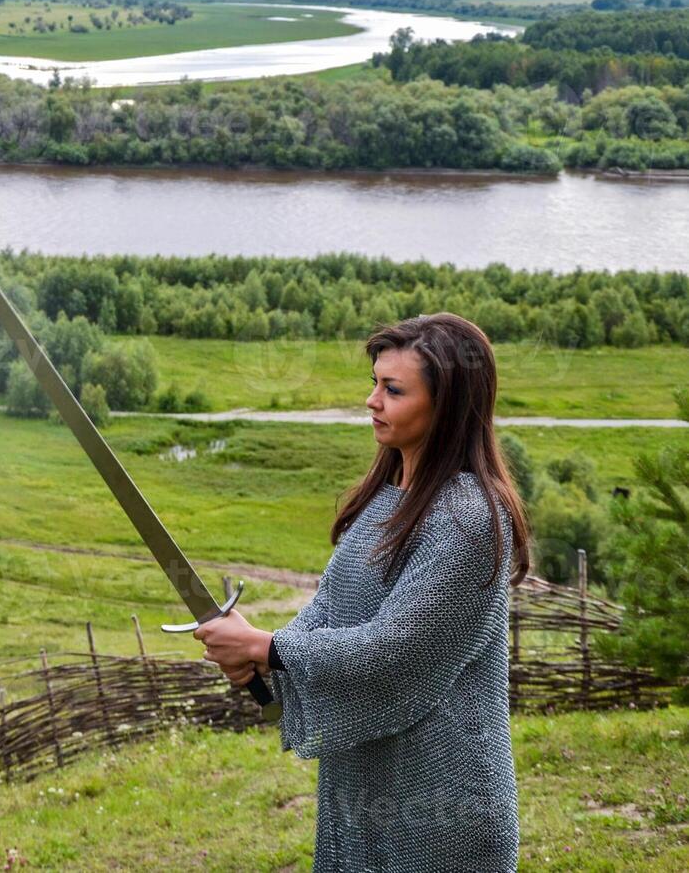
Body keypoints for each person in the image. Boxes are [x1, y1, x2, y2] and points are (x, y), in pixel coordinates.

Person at [195, 313, 529, 872]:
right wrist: (262, 660)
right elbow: (327, 613)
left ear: (445, 405)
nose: (372, 400)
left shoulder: (469, 515)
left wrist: (268, 648)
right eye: (375, 382)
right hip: (363, 796)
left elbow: (391, 650)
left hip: (445, 808)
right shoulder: (388, 496)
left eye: (393, 389)